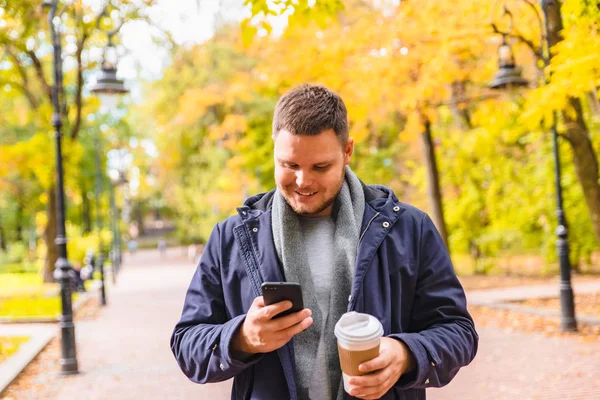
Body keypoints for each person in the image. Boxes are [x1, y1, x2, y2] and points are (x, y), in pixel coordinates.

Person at [171, 84, 478, 400]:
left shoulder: (410, 230)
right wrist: (243, 338)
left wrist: (404, 354)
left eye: (320, 167)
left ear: (347, 152)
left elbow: (458, 332)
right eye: (289, 165)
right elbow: (187, 343)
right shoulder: (230, 237)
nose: (303, 181)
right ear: (274, 148)